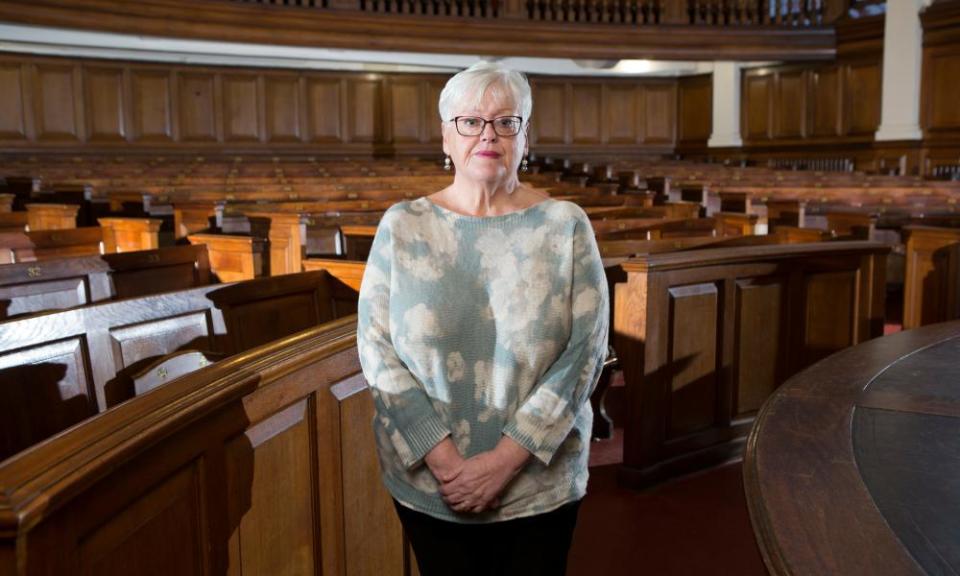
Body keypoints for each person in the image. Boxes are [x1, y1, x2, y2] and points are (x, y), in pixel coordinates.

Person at [356, 61, 609, 576]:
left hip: (539, 483)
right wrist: (443, 459)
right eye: (470, 121)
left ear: (525, 135)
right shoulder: (403, 225)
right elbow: (376, 347)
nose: (487, 135)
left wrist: (504, 462)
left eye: (505, 121)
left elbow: (586, 350)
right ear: (446, 137)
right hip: (432, 481)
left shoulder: (565, 225)